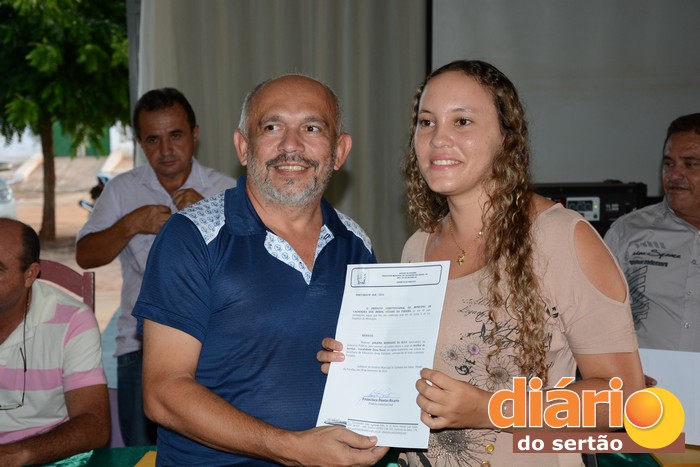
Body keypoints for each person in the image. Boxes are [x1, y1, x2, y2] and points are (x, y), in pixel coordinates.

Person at [319, 60, 645, 466]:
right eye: (426, 122)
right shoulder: (418, 246)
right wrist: (360, 371)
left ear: (507, 138)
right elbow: (419, 387)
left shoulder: (562, 237)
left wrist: (491, 408)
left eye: (463, 122)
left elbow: (624, 399)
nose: (439, 138)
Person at [131, 74, 388, 466]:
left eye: (312, 128)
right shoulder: (191, 237)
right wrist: (294, 448)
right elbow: (163, 393)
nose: (291, 145)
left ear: (339, 151)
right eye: (271, 127)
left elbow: (374, 371)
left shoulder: (357, 243)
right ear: (243, 147)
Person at [75, 87, 236, 446]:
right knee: (142, 456)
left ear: (195, 134)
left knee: (219, 452)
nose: (165, 150)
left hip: (218, 344)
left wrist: (209, 217)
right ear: (139, 142)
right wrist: (130, 224)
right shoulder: (122, 190)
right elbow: (85, 255)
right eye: (153, 139)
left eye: (175, 135)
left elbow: (251, 267)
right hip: (140, 344)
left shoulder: (226, 191)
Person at [0, 218, 109, 466]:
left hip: (45, 458)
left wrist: (14, 456)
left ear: (30, 274)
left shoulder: (72, 321)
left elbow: (94, 424)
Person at [605, 113, 700, 353]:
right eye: (669, 164)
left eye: (690, 164)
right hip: (645, 375)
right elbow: (597, 316)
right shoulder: (628, 231)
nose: (674, 175)